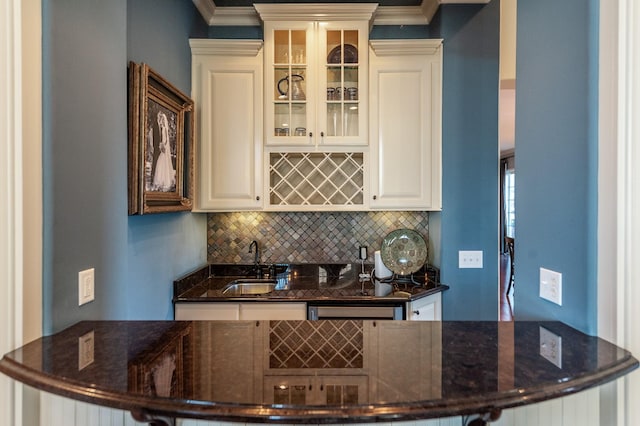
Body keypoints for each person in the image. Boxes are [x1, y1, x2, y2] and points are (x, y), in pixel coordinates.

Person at [152, 111, 176, 191]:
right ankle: (159, 181)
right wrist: (160, 144)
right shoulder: (161, 128)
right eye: (161, 119)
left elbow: (166, 140)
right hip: (161, 147)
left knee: (163, 163)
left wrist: (163, 145)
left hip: (164, 148)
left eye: (162, 119)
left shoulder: (165, 129)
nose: (161, 121)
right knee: (160, 163)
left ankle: (165, 181)